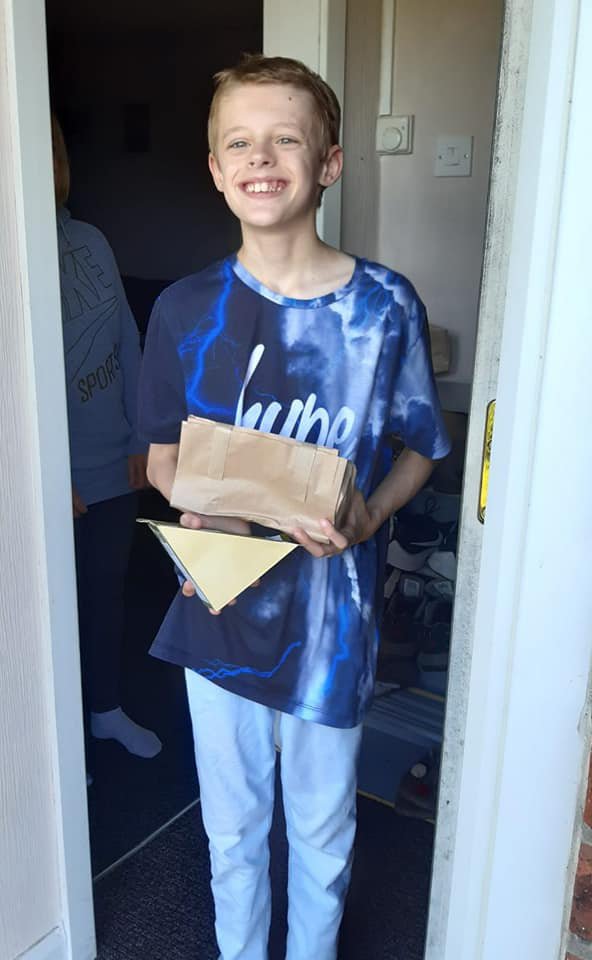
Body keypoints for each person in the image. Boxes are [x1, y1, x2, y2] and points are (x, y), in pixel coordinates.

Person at [138, 55, 450, 960]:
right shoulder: (187, 310)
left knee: (321, 833)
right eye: (239, 141)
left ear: (330, 163)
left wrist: (366, 518)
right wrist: (205, 508)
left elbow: (424, 448)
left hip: (332, 623)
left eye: (287, 139)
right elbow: (162, 455)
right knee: (233, 833)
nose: (261, 157)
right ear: (214, 168)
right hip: (220, 610)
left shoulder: (385, 306)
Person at [52, 115, 162, 766]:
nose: (55, 165)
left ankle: (105, 712)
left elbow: (127, 337)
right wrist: (42, 475)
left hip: (114, 460)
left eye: (61, 149)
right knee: (52, 614)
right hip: (51, 478)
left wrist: (141, 439)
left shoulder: (91, 240)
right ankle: (58, 751)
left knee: (106, 595)